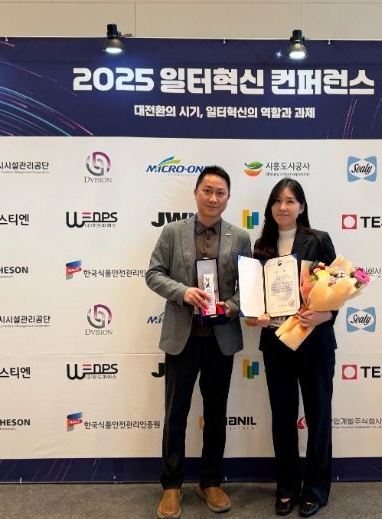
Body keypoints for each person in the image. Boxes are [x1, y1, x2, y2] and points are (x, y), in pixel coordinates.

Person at [146, 166, 252, 519]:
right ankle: (172, 485)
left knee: (216, 413)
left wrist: (230, 307)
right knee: (176, 413)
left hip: (220, 340)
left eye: (220, 192)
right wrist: (182, 292)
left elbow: (247, 289)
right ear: (195, 193)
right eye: (207, 190)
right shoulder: (172, 232)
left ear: (228, 198)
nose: (213, 198)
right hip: (182, 338)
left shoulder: (240, 237)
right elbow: (153, 274)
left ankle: (211, 481)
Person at [250, 178, 337, 518]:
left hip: (315, 343)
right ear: (270, 207)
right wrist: (256, 315)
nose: (283, 207)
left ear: (301, 206)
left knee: (318, 417)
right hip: (277, 344)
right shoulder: (261, 246)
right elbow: (255, 297)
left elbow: (337, 288)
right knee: (283, 419)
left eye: (289, 201)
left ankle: (316, 490)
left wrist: (325, 314)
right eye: (277, 201)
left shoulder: (319, 240)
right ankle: (286, 488)